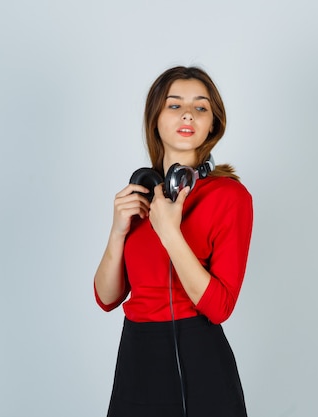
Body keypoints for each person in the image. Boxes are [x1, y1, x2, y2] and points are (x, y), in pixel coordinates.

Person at [94, 66, 253, 417]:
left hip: (199, 359)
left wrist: (169, 232)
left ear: (213, 124)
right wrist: (118, 230)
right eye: (174, 105)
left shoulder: (230, 196)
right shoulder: (140, 195)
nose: (187, 114)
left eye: (200, 107)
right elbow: (106, 298)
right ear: (155, 119)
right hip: (135, 357)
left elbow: (219, 306)